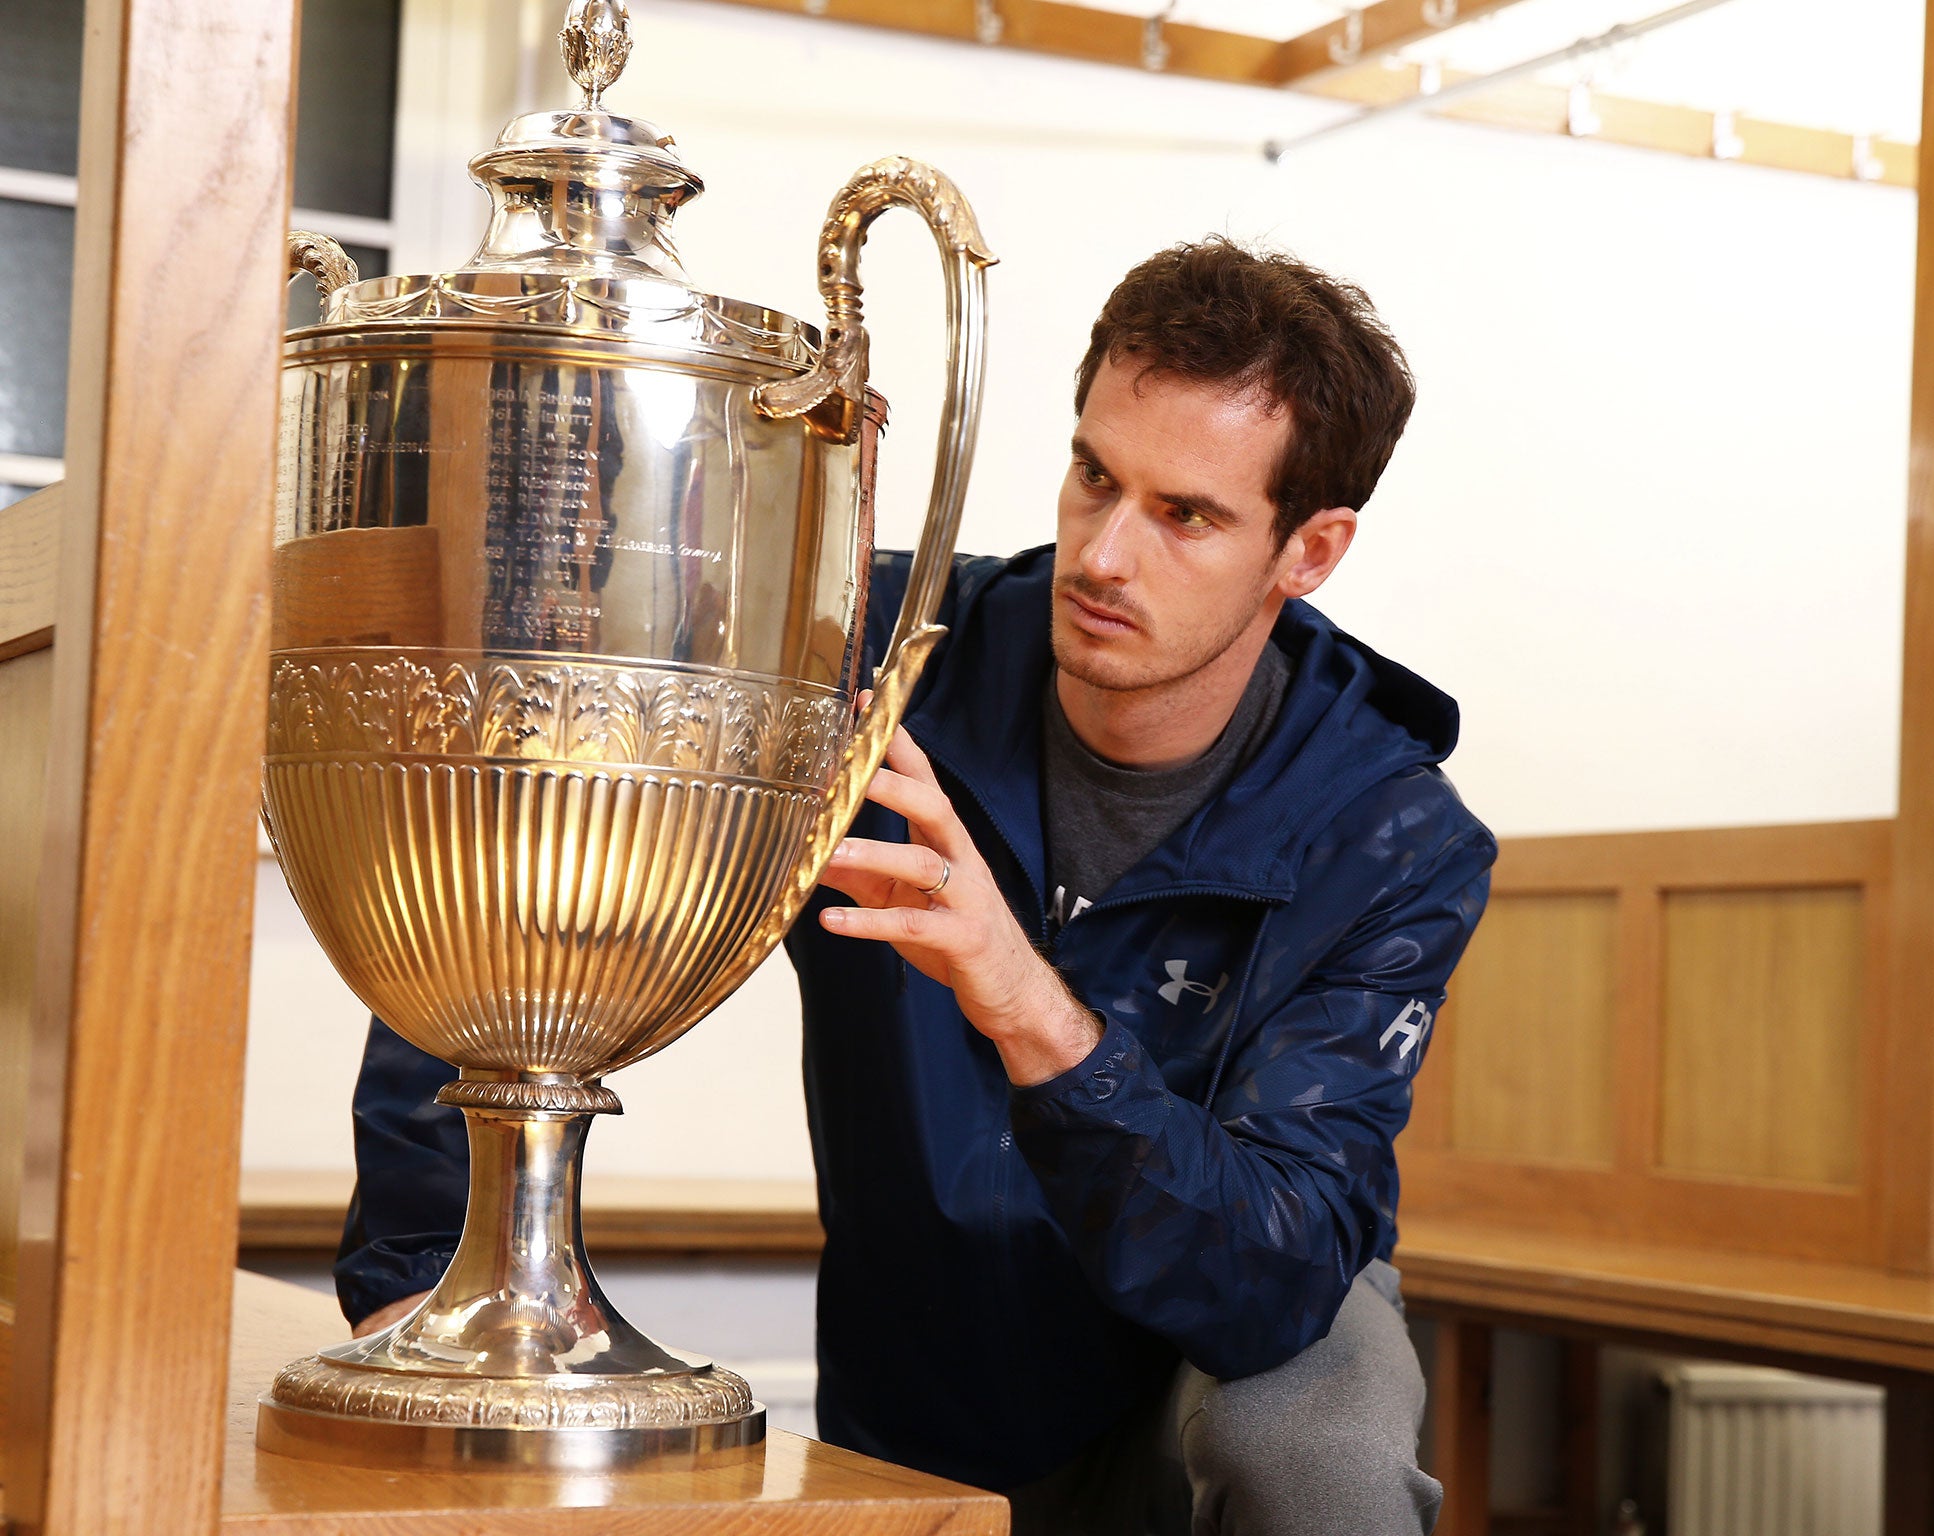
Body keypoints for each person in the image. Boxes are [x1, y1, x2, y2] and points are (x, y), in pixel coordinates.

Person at [338, 238, 1495, 1535]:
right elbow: (523, 864)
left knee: (1316, 1448)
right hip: (932, 1359)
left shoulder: (1393, 836)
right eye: (1093, 476)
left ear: (1310, 550)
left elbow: (1270, 1278)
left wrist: (1033, 1012)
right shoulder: (868, 664)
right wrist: (423, 1276)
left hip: (1223, 1323)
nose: (1105, 557)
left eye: (1186, 516)